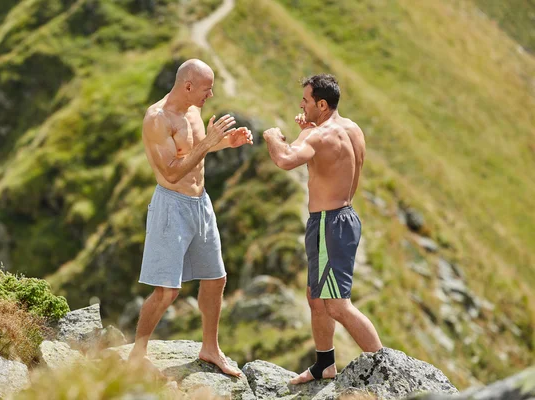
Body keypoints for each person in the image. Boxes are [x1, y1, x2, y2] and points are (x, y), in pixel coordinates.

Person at [127, 59, 253, 377]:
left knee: (216, 278)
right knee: (167, 291)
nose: (210, 95)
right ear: (188, 86)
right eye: (207, 89)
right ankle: (137, 355)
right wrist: (209, 142)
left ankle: (210, 348)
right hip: (172, 206)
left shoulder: (194, 111)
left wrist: (226, 142)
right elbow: (170, 171)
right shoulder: (157, 119)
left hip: (202, 203)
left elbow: (197, 150)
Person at [262, 74, 383, 384]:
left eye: (306, 101)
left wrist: (274, 136)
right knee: (316, 297)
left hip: (329, 223)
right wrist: (308, 134)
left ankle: (386, 372)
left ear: (321, 104)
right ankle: (324, 365)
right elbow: (335, 163)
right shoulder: (352, 129)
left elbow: (286, 160)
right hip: (341, 218)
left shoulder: (316, 137)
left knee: (337, 305)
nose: (301, 105)